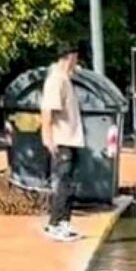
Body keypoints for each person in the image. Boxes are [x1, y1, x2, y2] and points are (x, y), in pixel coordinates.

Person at [40, 42, 84, 242]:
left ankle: (63, 222)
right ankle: (55, 224)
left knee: (67, 183)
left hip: (70, 139)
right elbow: (47, 110)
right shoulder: (56, 80)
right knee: (62, 184)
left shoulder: (65, 78)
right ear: (70, 57)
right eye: (76, 57)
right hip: (61, 140)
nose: (77, 61)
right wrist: (48, 138)